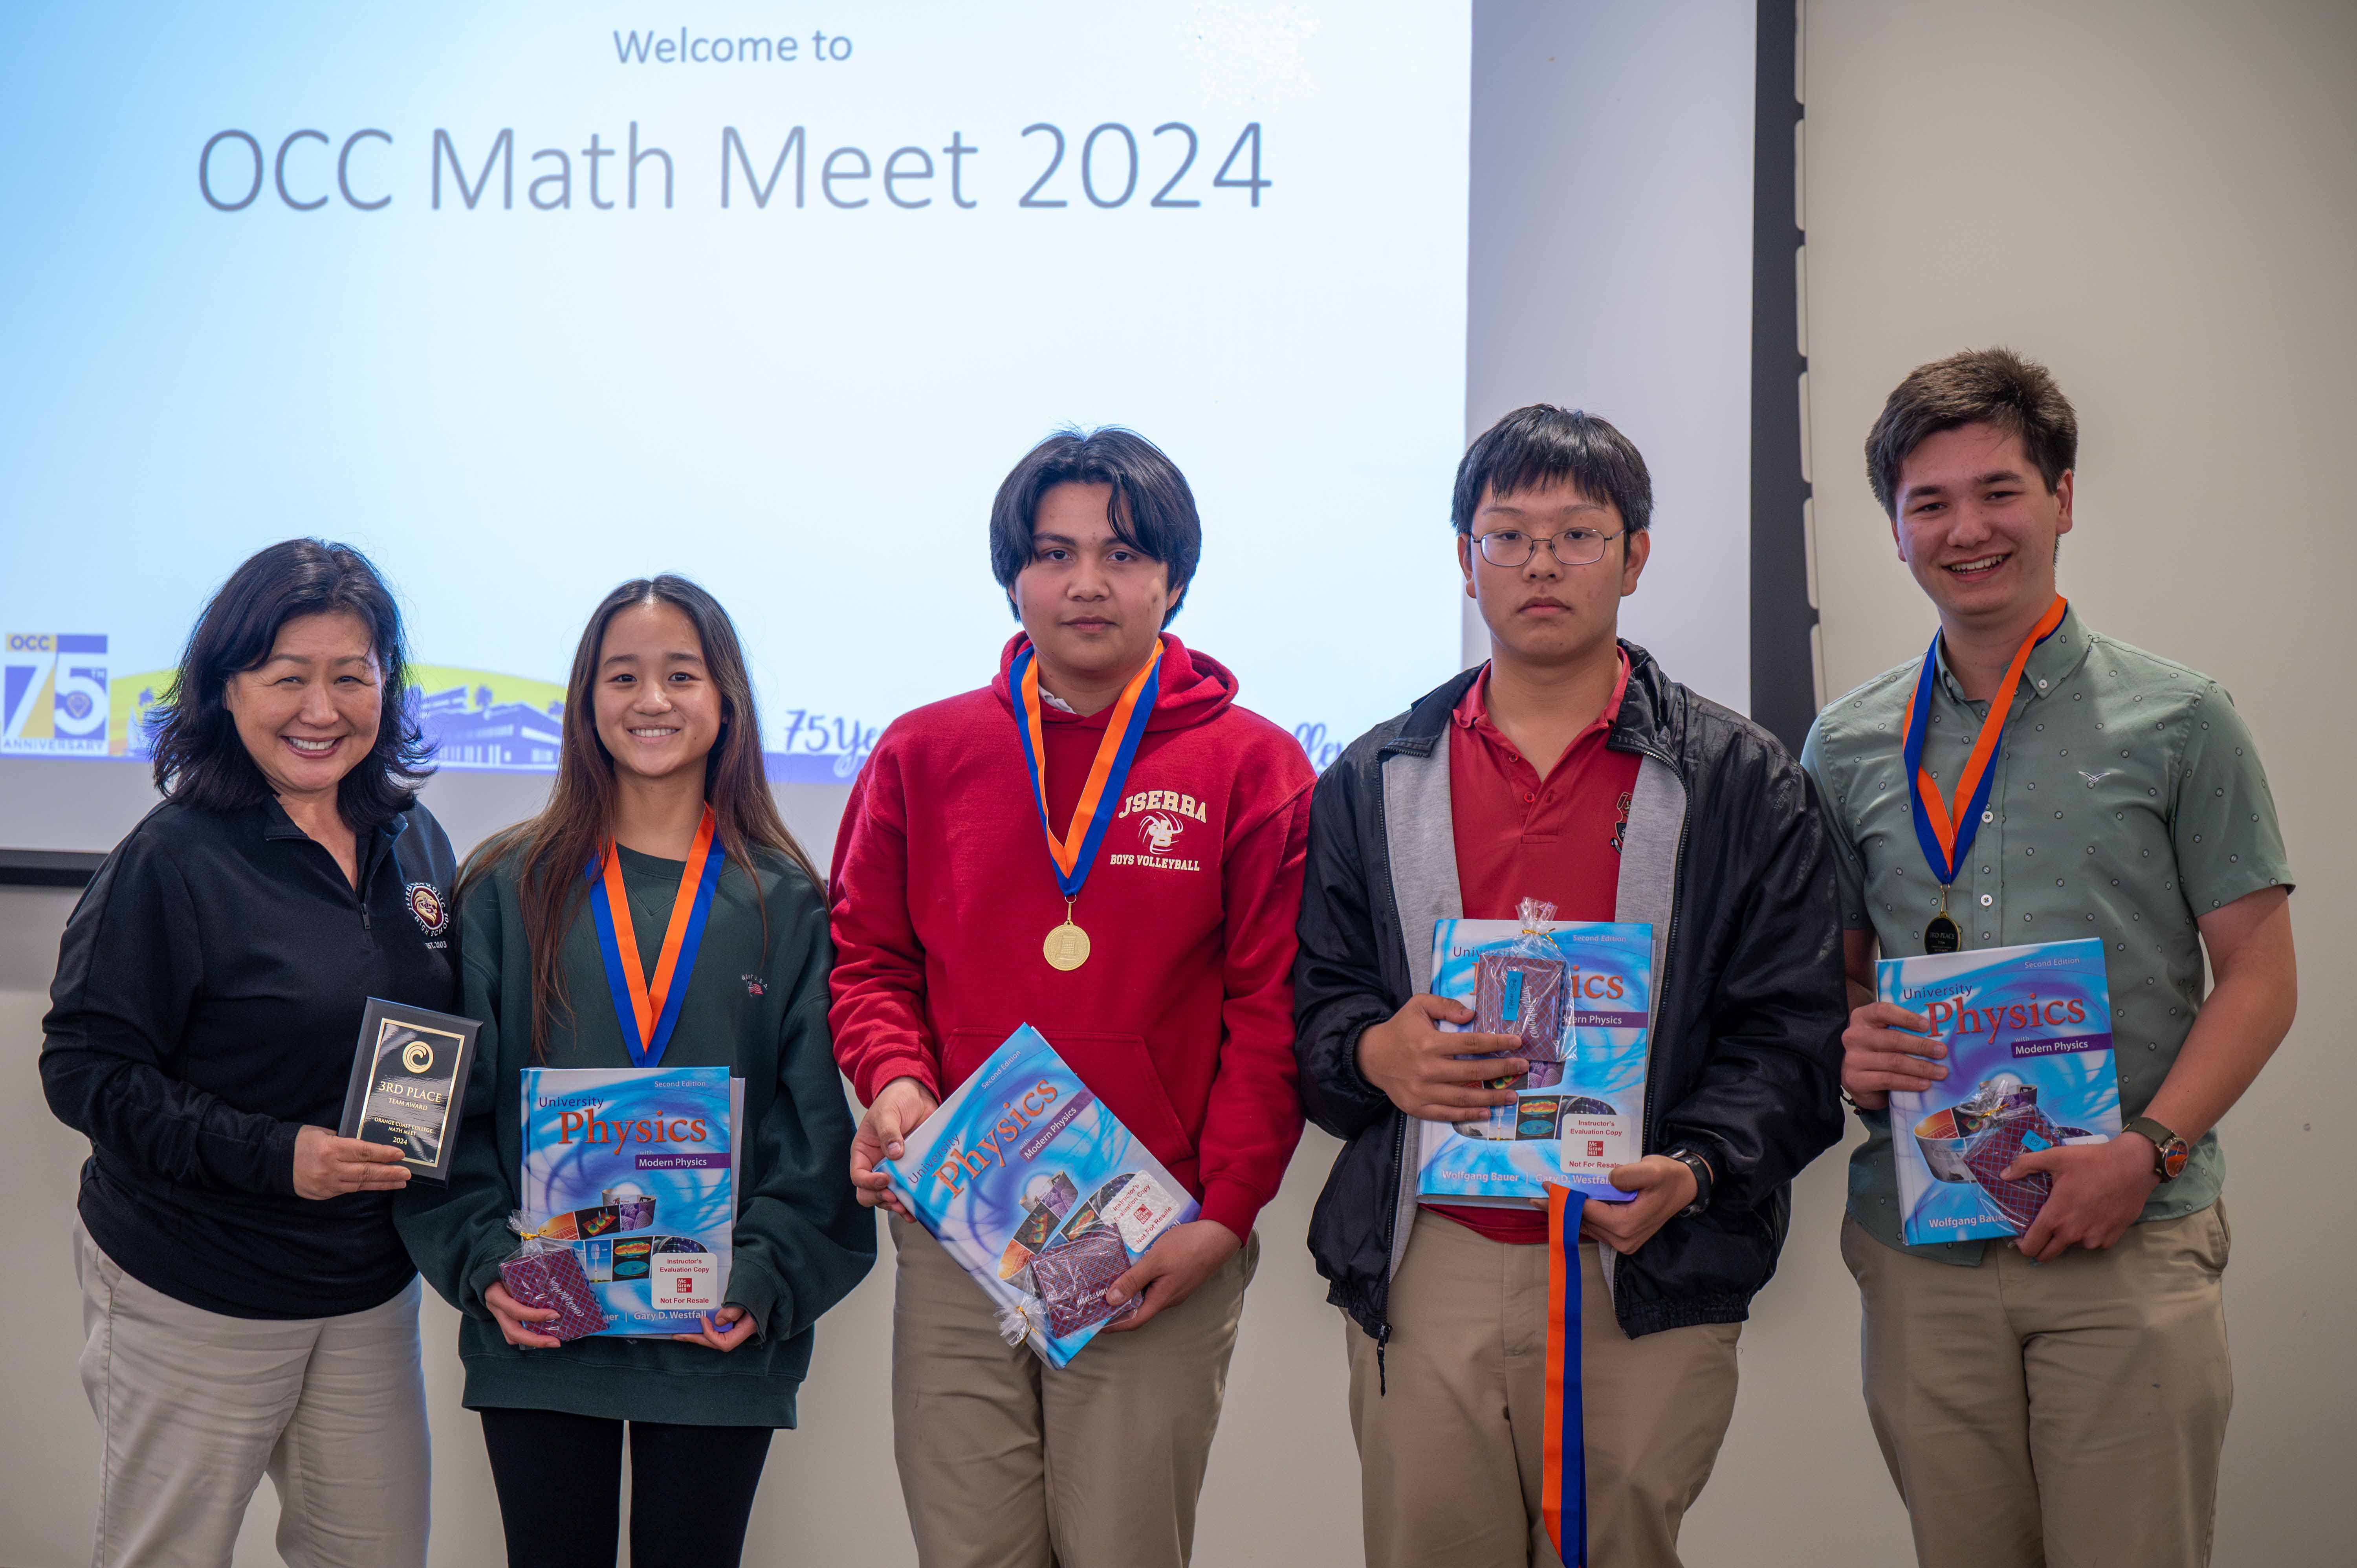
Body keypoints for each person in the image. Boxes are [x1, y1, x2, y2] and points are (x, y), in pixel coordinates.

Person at [1292, 406, 1848, 1568]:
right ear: (1464, 559)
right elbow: (1317, 1005)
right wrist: (1371, 1054)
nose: (1540, 563)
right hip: (1432, 1249)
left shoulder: (1742, 779)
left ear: (1635, 556)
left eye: (1578, 534)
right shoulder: (1373, 775)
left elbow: (1796, 1039)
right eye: (1507, 535)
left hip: (1638, 1252)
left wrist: (1695, 1170)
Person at [1800, 348, 2297, 1568]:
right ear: (1897, 532)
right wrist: (1849, 1038)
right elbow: (1838, 981)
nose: (1967, 529)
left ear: (2063, 499)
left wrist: (2147, 1152)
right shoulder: (1849, 741)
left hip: (2127, 1233)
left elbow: (2261, 979)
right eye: (1929, 503)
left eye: (2000, 490)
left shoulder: (2182, 719)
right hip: (1927, 1249)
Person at [828, 426, 1313, 1568]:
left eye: (1123, 554)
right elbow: (869, 964)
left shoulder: (1255, 766)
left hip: (1155, 1239)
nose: (1087, 583)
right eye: (1053, 553)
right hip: (961, 1225)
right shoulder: (921, 752)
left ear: (1174, 579)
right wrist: (896, 1087)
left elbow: (1271, 1014)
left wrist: (1224, 1217)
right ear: (1013, 576)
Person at [394, 577, 874, 1568]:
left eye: (681, 674)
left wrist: (761, 1279)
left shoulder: (786, 903)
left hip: (716, 1327)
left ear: (726, 700)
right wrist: (490, 1268)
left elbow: (816, 1127)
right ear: (584, 700)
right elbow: (446, 1119)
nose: (651, 699)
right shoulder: (502, 885)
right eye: (623, 675)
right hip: (543, 1326)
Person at [40, 539, 451, 1568]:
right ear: (227, 688)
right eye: (288, 678)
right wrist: (280, 1156)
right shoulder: (170, 860)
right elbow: (86, 1071)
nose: (323, 709)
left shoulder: (416, 837)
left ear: (386, 687)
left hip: (364, 1285)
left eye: (351, 677)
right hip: (199, 1284)